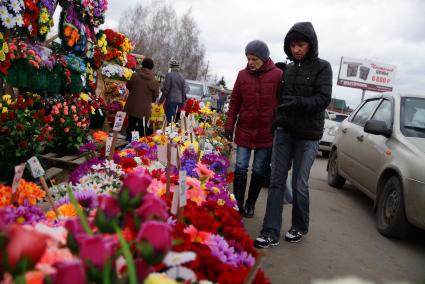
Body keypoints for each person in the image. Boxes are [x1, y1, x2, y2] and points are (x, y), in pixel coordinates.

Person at [254, 22, 332, 248]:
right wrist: (276, 122)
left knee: (299, 183)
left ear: (311, 45)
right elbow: (279, 101)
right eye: (292, 45)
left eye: (300, 44)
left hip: (308, 135)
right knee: (276, 181)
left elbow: (322, 99)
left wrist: (298, 103)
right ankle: (270, 231)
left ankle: (299, 226)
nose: (296, 49)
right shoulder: (286, 70)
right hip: (284, 131)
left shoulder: (323, 68)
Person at [224, 40, 282, 218]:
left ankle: (250, 204)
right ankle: (239, 204)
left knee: (258, 169)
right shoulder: (242, 76)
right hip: (245, 129)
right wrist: (229, 125)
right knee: (240, 166)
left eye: (254, 59)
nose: (250, 62)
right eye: (248, 58)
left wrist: (278, 127)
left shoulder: (278, 75)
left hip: (266, 132)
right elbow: (234, 102)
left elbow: (282, 104)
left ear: (264, 58)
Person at [124, 57, 159, 141]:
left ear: (142, 65)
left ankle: (127, 144)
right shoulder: (154, 81)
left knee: (131, 126)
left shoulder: (135, 75)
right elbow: (156, 95)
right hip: (144, 109)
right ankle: (139, 146)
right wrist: (151, 99)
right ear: (151, 67)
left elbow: (128, 86)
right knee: (142, 128)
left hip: (133, 106)